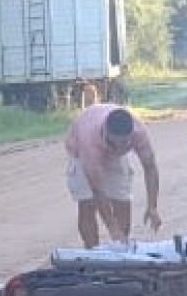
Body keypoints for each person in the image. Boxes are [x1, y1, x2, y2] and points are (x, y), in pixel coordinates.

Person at [65, 103, 161, 248]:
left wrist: (152, 206)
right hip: (81, 152)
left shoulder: (139, 132)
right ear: (107, 133)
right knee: (87, 203)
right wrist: (111, 227)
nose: (120, 147)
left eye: (125, 142)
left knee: (122, 201)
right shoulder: (88, 140)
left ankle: (120, 249)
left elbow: (150, 167)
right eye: (115, 143)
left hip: (116, 157)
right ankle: (92, 252)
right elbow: (98, 190)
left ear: (131, 134)